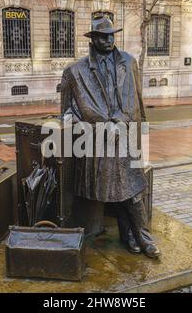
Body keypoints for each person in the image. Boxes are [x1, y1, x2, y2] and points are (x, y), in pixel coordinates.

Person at [60, 16, 160, 258]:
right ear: (93, 39)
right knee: (118, 188)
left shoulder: (129, 61)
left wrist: (136, 128)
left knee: (132, 189)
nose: (108, 39)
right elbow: (65, 112)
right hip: (98, 141)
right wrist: (84, 126)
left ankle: (141, 238)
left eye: (111, 35)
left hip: (127, 134)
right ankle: (130, 236)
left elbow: (138, 100)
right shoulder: (75, 71)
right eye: (103, 36)